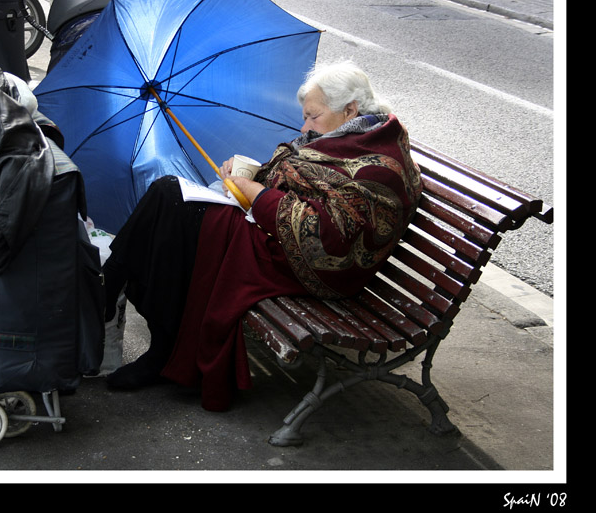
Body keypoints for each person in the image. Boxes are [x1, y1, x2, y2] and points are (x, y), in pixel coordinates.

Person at [101, 60, 423, 411]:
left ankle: (116, 298)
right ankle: (149, 331)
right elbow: (304, 181)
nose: (305, 126)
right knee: (171, 207)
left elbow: (328, 237)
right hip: (278, 236)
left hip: (313, 266)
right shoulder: (354, 135)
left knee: (173, 207)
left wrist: (255, 192)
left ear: (349, 109)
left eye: (312, 116)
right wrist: (253, 175)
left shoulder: (377, 165)